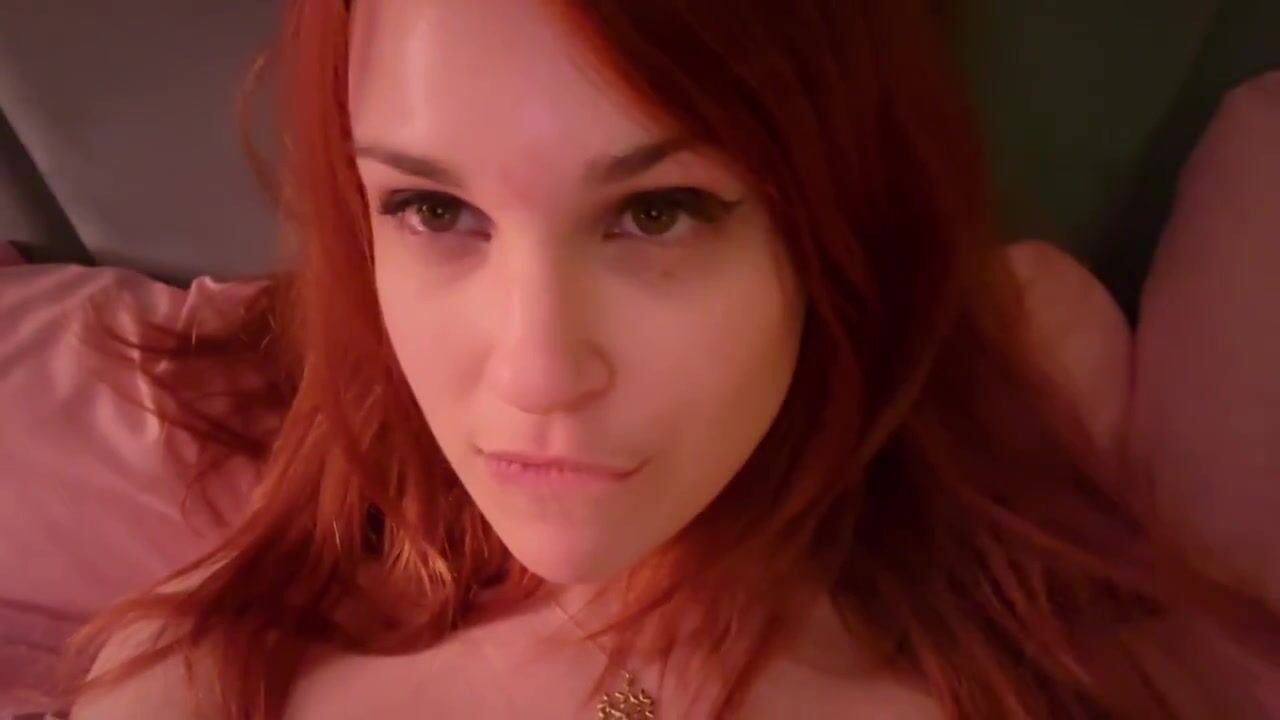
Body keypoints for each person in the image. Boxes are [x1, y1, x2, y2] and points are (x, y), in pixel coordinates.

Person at [63, 0, 1279, 718]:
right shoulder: (200, 680)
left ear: (838, 225)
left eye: (657, 213)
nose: (535, 375)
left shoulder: (1020, 585)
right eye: (434, 210)